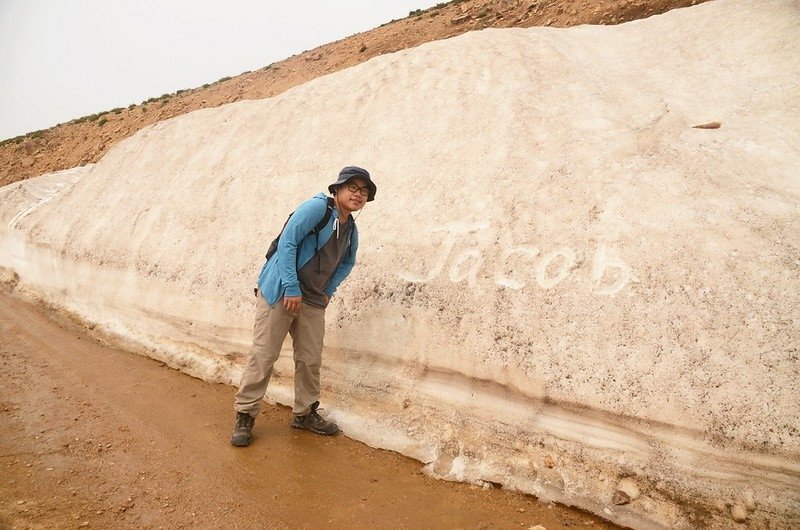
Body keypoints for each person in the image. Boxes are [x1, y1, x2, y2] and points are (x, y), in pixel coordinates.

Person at [231, 166, 376, 446]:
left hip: (312, 299)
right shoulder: (316, 209)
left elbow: (348, 262)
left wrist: (328, 290)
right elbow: (288, 243)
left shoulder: (351, 229)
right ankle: (245, 415)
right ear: (338, 189)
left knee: (309, 359)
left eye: (364, 191)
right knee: (264, 355)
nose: (358, 195)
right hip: (280, 291)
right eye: (353, 188)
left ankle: (305, 413)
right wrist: (292, 287)